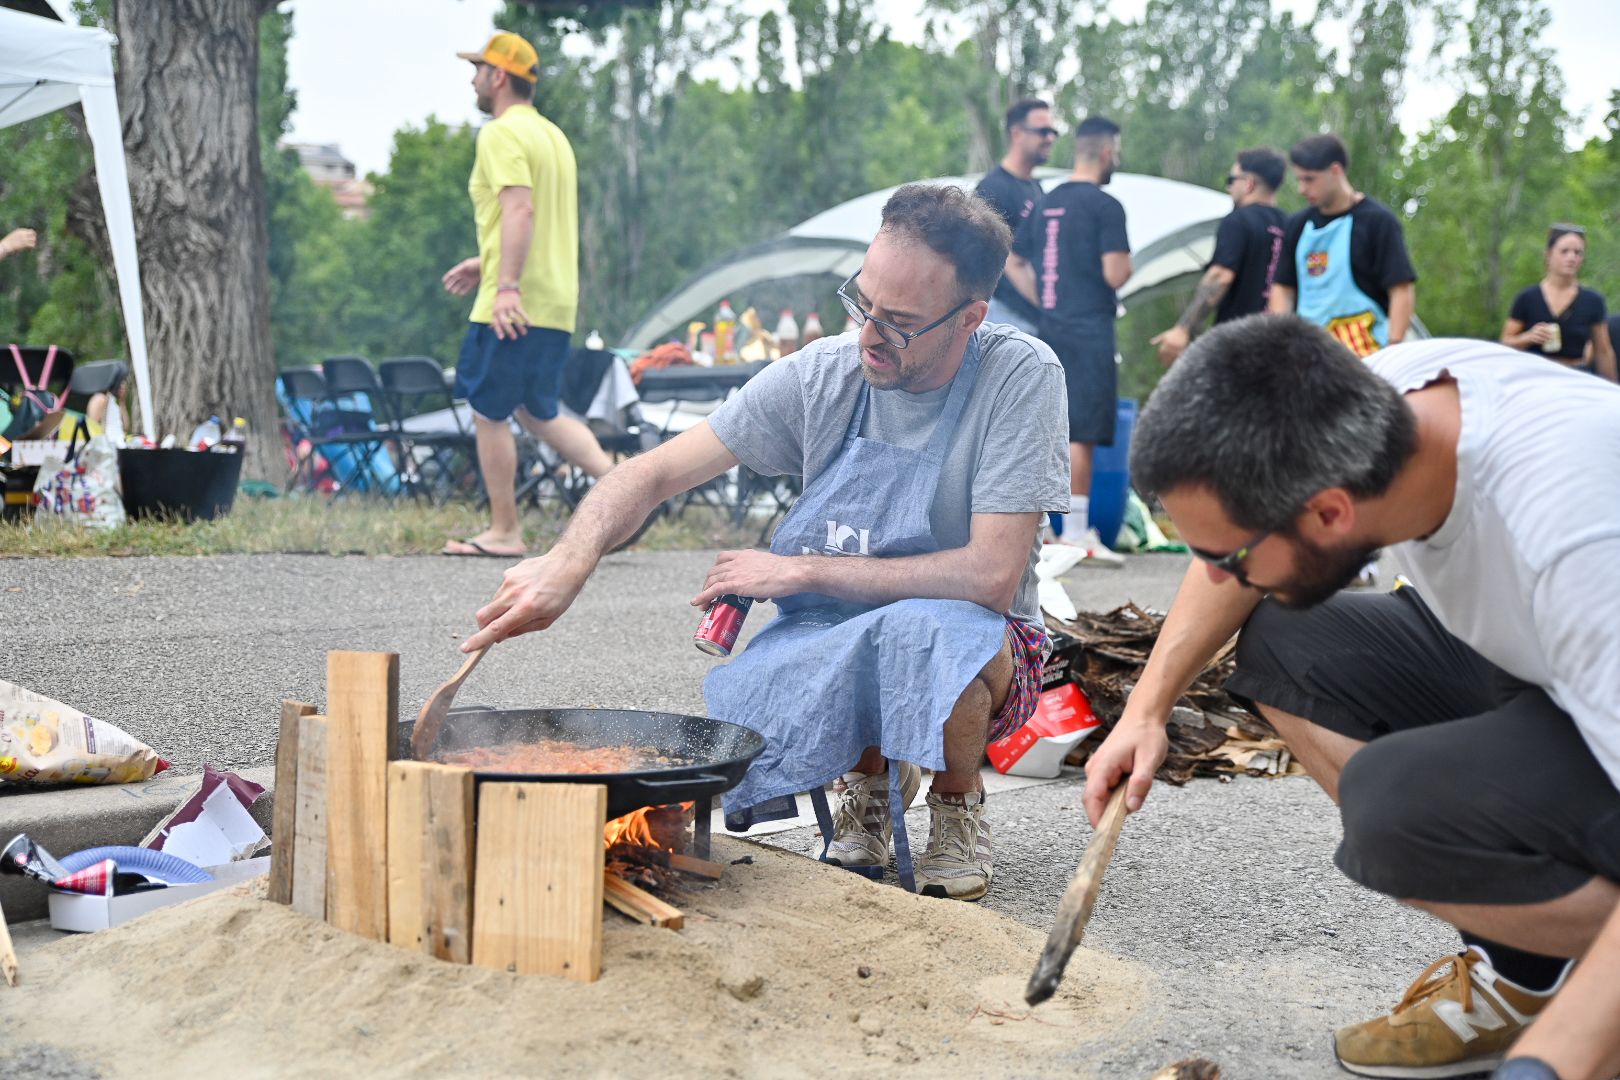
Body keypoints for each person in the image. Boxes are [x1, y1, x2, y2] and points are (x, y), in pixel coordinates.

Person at [464, 184, 1071, 902]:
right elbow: (653, 472)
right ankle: (870, 788)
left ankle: (956, 802)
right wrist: (570, 560)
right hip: (841, 623)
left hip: (985, 640)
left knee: (923, 631)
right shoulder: (825, 373)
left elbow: (990, 576)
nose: (870, 334)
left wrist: (798, 569)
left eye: (900, 322)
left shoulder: (1019, 376)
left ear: (970, 318)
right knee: (759, 677)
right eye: (861, 303)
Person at [1083, 315, 1620, 1079]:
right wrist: (1145, 710)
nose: (1214, 574)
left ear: (1330, 511)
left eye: (1227, 556)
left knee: (1401, 812)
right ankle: (1530, 974)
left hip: (1590, 655)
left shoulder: (1573, 539)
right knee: (1288, 642)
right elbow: (1233, 561)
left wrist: (1550, 1065)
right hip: (1540, 666)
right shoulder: (1373, 395)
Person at [441, 31, 611, 558]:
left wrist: (505, 285)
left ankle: (504, 530)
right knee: (538, 411)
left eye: (477, 69)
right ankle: (629, 493)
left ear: (498, 76)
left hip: (515, 301)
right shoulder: (553, 138)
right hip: (555, 302)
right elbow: (538, 220)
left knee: (488, 409)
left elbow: (520, 210)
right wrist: (486, 258)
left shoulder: (499, 134)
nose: (472, 79)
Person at [1004, 115, 1131, 566]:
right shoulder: (1105, 206)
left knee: (1056, 425)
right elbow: (1115, 273)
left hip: (1053, 327)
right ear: (1105, 153)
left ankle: (1057, 532)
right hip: (1091, 327)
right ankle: (1076, 532)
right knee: (1086, 430)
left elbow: (1013, 262)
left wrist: (1046, 302)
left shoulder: (1045, 203)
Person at [1269, 133, 1416, 358]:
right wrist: (1280, 342)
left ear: (1335, 171)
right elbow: (1283, 288)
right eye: (1299, 180)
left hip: (1370, 354)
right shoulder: (1297, 225)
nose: (1301, 188)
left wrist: (1394, 349)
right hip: (1311, 354)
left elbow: (1401, 288)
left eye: (1309, 179)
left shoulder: (1378, 221)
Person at [1151, 148, 1288, 365]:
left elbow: (1220, 277)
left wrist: (1182, 329)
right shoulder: (1292, 225)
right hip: (1282, 347)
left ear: (1249, 183)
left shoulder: (1238, 221)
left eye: (1232, 179)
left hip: (1238, 345)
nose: (1229, 187)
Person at [976, 98, 1058, 335]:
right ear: (1017, 134)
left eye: (1053, 131)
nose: (1050, 138)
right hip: (1005, 319)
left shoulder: (1036, 188)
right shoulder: (991, 189)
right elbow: (1000, 262)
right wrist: (1046, 306)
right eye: (1042, 131)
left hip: (1035, 318)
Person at [1501, 224, 1617, 382]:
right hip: (1533, 378)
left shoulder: (1592, 301)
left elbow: (1603, 351)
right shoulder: (1527, 298)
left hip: (1575, 377)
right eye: (1564, 251)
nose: (1572, 257)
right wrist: (1528, 337)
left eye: (1578, 252)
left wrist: (1613, 391)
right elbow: (1504, 344)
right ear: (1548, 254)